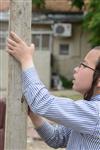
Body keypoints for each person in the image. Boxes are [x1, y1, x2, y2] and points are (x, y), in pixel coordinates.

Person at [7, 32, 100, 150]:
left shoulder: (96, 113)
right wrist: (33, 114)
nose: (76, 69)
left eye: (83, 65)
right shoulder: (88, 114)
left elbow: (43, 103)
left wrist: (26, 59)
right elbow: (57, 138)